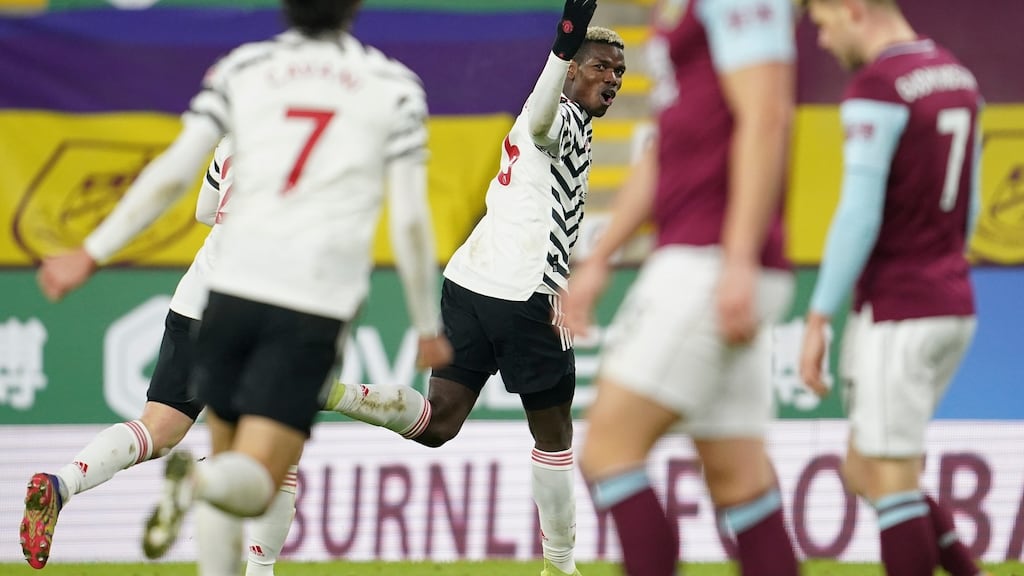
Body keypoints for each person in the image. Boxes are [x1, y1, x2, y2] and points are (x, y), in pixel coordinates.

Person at [35, 0, 451, 573]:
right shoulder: (391, 87)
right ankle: (210, 495)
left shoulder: (244, 71)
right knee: (261, 475)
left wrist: (92, 252)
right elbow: (409, 220)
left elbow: (179, 178)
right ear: (355, 7)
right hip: (308, 299)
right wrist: (427, 323)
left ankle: (83, 482)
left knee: (180, 432)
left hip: (221, 292)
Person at [319, 2, 624, 575]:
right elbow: (539, 121)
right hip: (527, 291)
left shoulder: (571, 122)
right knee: (555, 434)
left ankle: (329, 393)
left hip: (469, 281)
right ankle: (561, 566)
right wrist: (562, 44)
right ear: (573, 70)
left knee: (439, 422)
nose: (613, 80)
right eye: (603, 67)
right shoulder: (556, 115)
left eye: (620, 73)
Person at [562, 0, 801, 574]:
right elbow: (664, 151)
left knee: (608, 452)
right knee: (739, 480)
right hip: (708, 258)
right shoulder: (682, 16)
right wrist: (600, 257)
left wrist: (738, 256)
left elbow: (768, 115)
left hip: (710, 261)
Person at [21, 138, 298, 575]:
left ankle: (62, 483)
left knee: (160, 428)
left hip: (197, 300)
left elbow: (205, 212)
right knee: (281, 450)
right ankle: (244, 549)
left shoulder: (234, 137)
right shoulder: (325, 142)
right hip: (261, 302)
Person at [799, 2, 984, 575]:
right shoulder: (958, 76)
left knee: (892, 478)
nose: (825, 42)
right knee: (864, 470)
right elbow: (972, 208)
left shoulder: (877, 86)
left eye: (825, 24)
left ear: (852, 10)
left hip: (901, 310)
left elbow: (858, 213)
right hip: (951, 300)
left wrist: (818, 316)